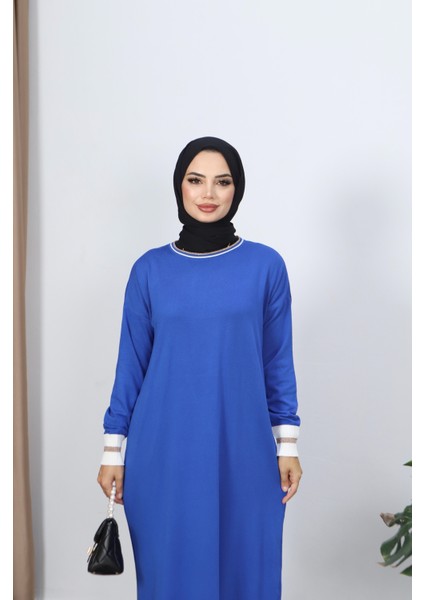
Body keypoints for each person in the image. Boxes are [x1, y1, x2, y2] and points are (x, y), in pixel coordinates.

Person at [97, 136, 303, 599]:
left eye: (222, 182)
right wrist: (113, 452)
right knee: (172, 573)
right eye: (196, 180)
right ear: (180, 187)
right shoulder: (149, 270)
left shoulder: (265, 266)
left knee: (246, 568)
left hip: (244, 445)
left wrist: (287, 445)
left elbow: (277, 361)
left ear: (237, 190)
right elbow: (131, 365)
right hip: (163, 448)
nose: (208, 193)